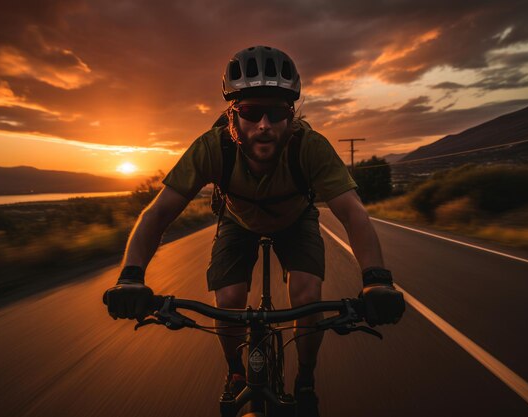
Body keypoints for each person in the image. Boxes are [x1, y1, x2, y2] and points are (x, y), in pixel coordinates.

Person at [104, 45, 405, 417]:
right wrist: (131, 277)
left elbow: (353, 214)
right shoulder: (212, 147)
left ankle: (306, 378)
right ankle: (235, 372)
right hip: (237, 221)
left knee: (307, 293)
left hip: (296, 220)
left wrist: (377, 280)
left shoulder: (309, 147)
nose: (264, 124)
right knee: (228, 299)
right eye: (250, 112)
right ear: (233, 116)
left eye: (276, 112)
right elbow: (158, 213)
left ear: (290, 116)